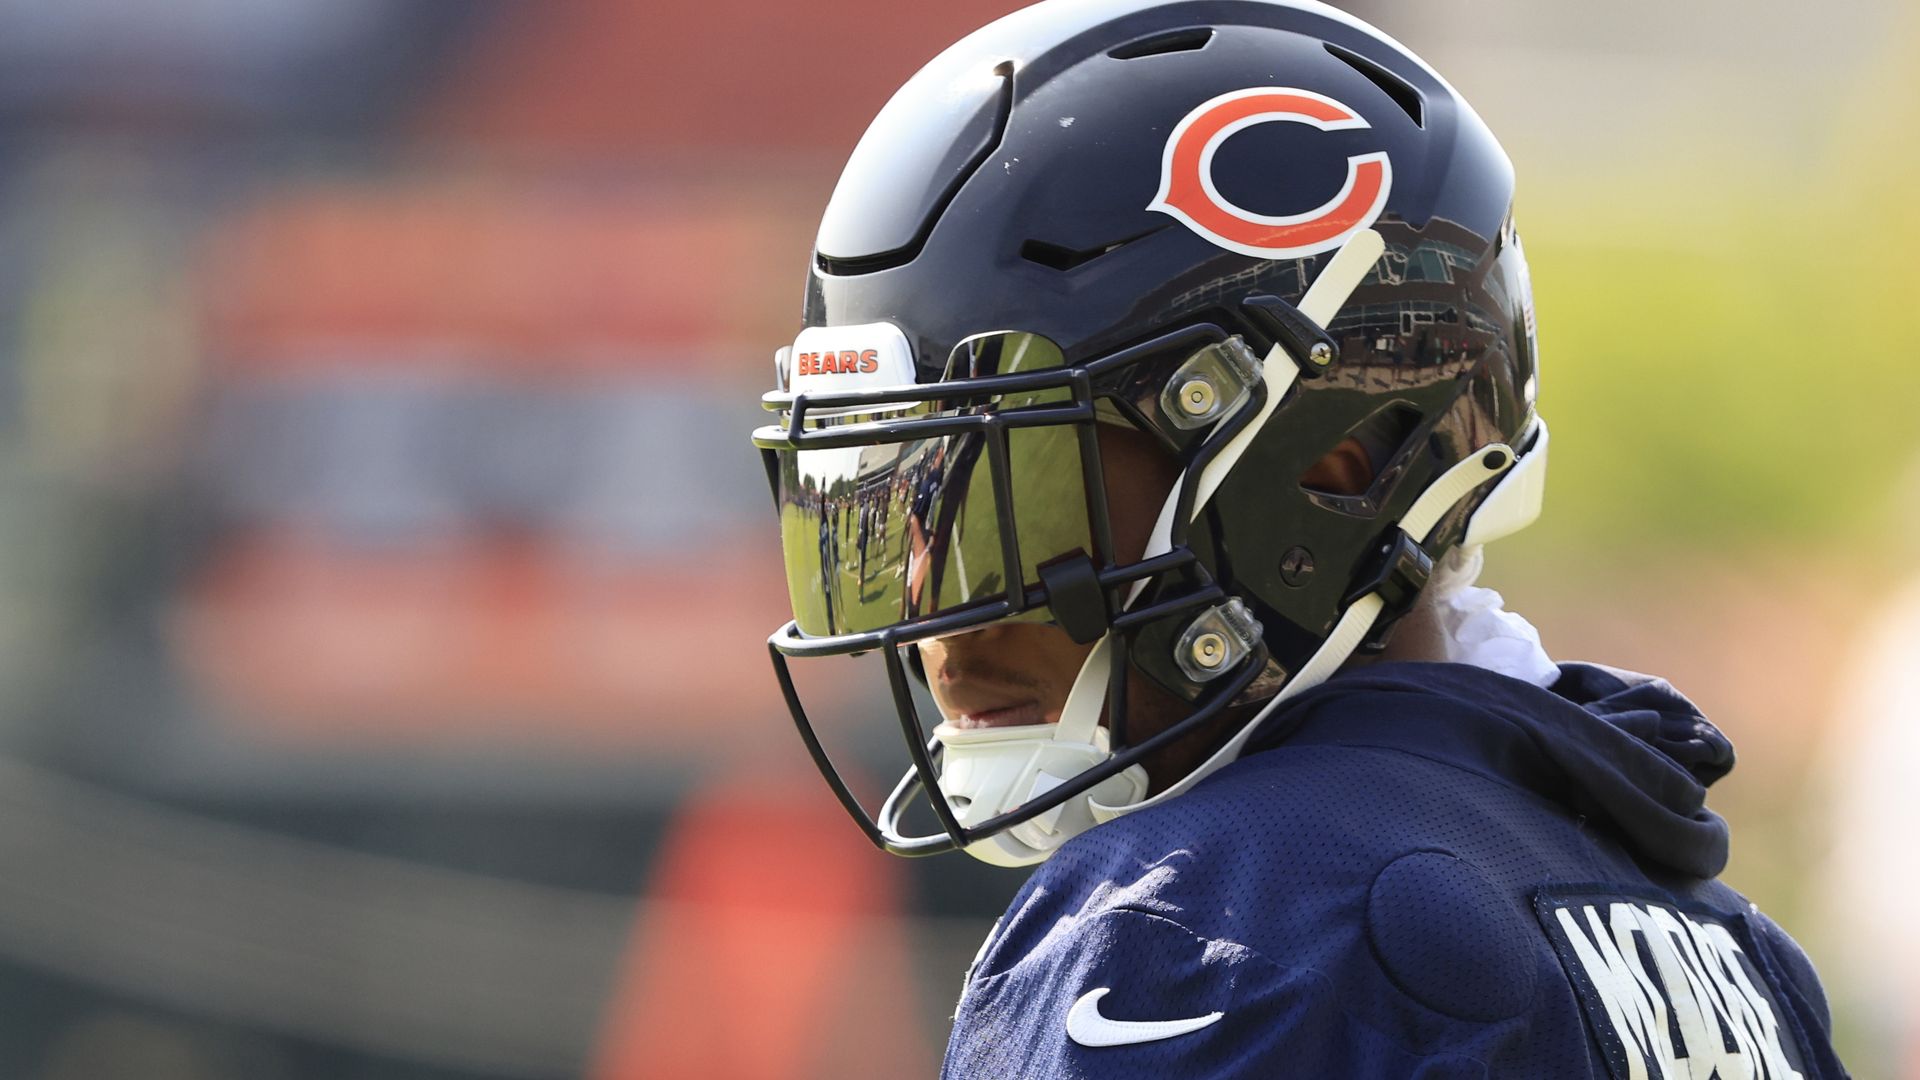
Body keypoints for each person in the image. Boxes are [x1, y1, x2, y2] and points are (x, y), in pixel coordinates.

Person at [750, 1, 1848, 1075]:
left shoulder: (1207, 924)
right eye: (891, 496)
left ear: (1335, 462)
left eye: (998, 496)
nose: (929, 597)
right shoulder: (1728, 948)